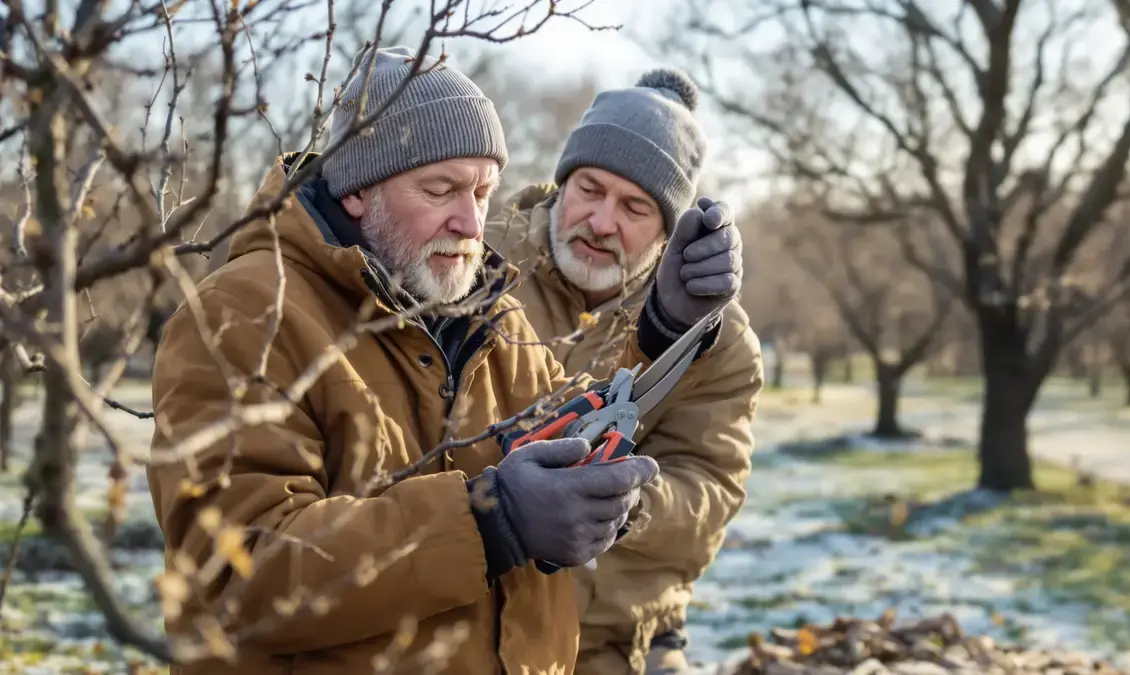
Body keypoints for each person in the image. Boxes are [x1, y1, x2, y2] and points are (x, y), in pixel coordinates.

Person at [145, 47, 743, 675]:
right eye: (441, 189)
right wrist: (489, 521)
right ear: (356, 190)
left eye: (484, 192)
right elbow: (239, 569)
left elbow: (573, 424)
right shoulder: (241, 315)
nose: (470, 221)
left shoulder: (489, 315)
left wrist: (666, 330)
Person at [485, 68, 764, 675]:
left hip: (609, 635)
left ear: (668, 230)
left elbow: (711, 488)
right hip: (466, 614)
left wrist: (621, 502)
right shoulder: (477, 262)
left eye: (635, 206)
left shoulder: (719, 334)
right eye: (590, 188)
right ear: (562, 183)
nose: (602, 221)